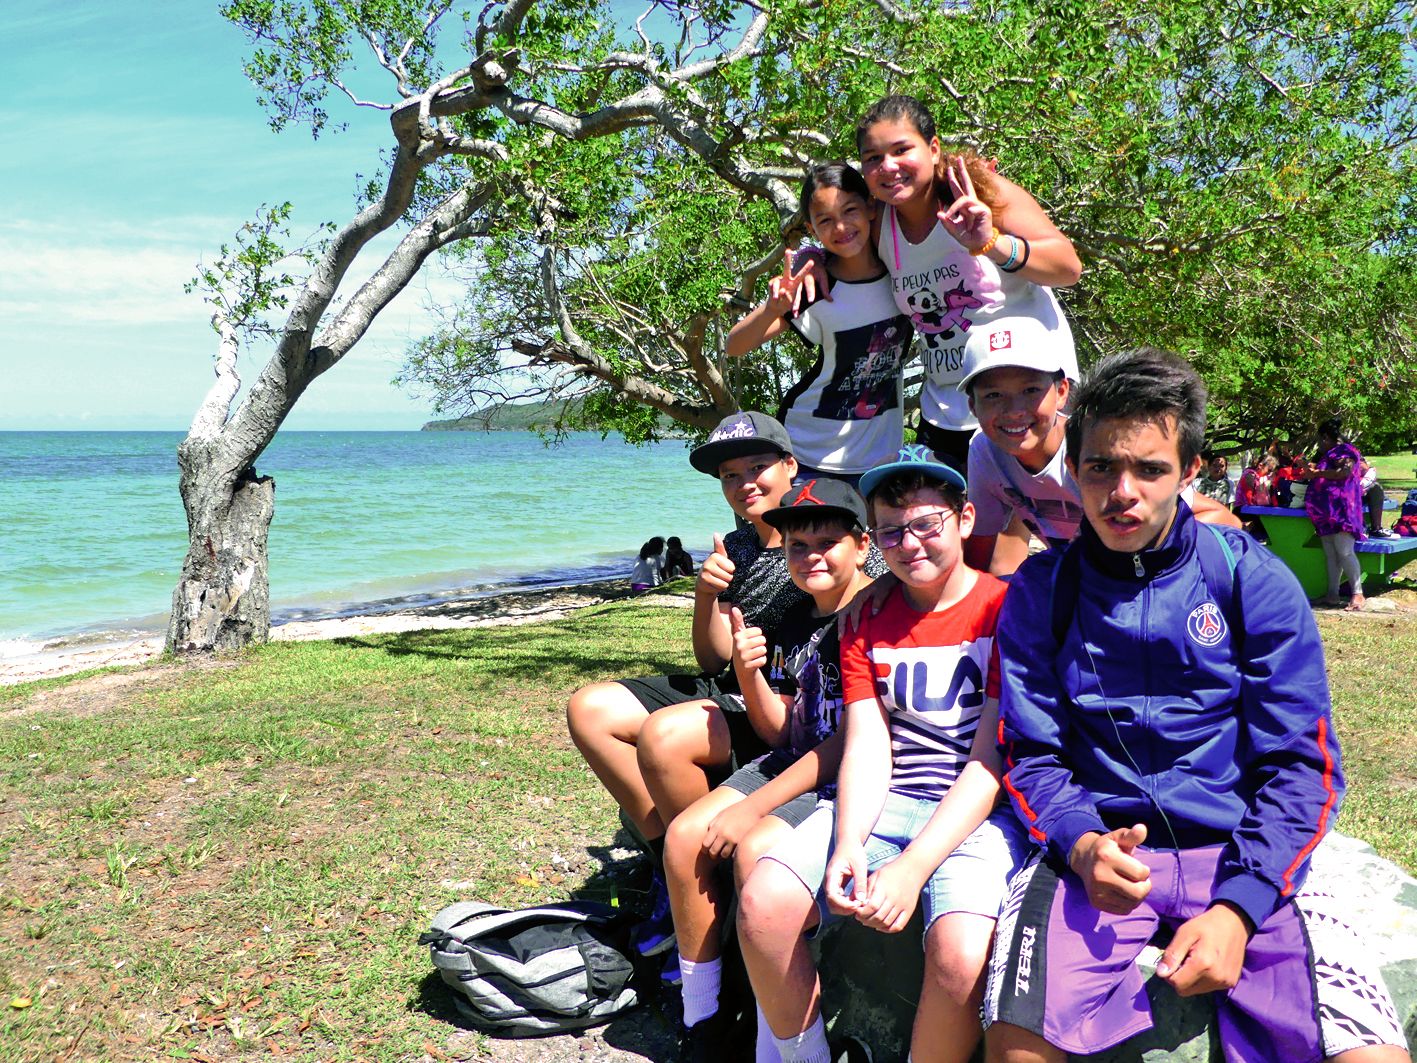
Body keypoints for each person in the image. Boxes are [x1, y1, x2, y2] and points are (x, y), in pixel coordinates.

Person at [983, 348, 1409, 1063]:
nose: (1122, 492)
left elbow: (1301, 765)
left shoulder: (1252, 580)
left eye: (1149, 469)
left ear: (1188, 472)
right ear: (1072, 470)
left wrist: (1238, 909)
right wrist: (1084, 845)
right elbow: (1031, 754)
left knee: (1371, 1054)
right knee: (1017, 1046)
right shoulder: (1040, 590)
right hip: (1093, 855)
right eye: (1099, 467)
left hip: (1242, 847)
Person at [738, 445, 1026, 1063]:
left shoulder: (1006, 612)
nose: (911, 543)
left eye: (928, 524)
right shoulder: (864, 620)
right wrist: (847, 844)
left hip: (977, 814)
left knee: (959, 954)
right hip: (886, 800)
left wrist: (914, 867)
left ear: (965, 518)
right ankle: (803, 1054)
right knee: (764, 905)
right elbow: (868, 742)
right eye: (893, 531)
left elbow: (991, 759)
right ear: (875, 540)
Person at [565, 412, 808, 966]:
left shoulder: (818, 534)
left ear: (790, 466)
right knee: (590, 709)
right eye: (729, 475)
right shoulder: (738, 547)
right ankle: (668, 873)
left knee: (664, 734)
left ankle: (704, 890)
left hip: (779, 701)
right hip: (729, 686)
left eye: (757, 467)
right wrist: (706, 594)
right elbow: (712, 657)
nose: (744, 482)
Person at [667, 479, 874, 1058]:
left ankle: (770, 1037)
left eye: (828, 542)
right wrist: (750, 673)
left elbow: (850, 742)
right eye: (797, 546)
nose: (811, 557)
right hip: (789, 758)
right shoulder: (792, 616)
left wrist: (753, 807)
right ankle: (703, 1019)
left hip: (841, 774)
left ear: (861, 545)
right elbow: (780, 731)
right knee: (685, 837)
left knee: (755, 849)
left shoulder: (874, 616)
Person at [949, 315, 1239, 578]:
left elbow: (1217, 520)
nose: (1014, 410)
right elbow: (979, 552)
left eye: (1030, 390)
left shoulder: (1095, 446)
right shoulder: (985, 452)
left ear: (1062, 391)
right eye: (993, 395)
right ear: (972, 405)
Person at [727, 163, 913, 484]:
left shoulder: (904, 272)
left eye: (849, 210)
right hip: (809, 455)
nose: (840, 227)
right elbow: (735, 345)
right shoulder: (816, 288)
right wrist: (772, 309)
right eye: (825, 220)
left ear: (871, 207)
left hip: (881, 460)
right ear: (812, 229)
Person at [1307, 417, 1368, 610]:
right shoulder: (1330, 454)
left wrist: (1316, 474)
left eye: (1319, 439)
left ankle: (1358, 594)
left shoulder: (1345, 451)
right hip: (1325, 511)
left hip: (1342, 509)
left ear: (1325, 437)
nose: (1318, 444)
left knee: (1344, 551)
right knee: (1331, 554)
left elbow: (1345, 471)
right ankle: (1332, 594)